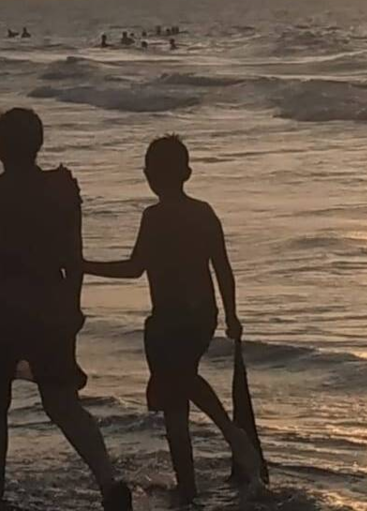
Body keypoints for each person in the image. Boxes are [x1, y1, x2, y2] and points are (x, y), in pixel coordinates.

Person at [0, 108, 131, 510]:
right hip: (50, 301)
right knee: (63, 403)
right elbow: (75, 256)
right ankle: (108, 480)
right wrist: (74, 305)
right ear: (39, 145)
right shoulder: (61, 188)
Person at [84, 136, 264, 503]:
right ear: (187, 173)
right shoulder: (204, 213)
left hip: (171, 319)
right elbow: (223, 269)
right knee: (175, 397)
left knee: (178, 385)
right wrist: (230, 314)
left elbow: (134, 268)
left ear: (149, 176)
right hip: (200, 316)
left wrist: (84, 266)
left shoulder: (154, 217)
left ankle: (232, 434)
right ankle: (188, 484)